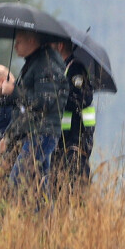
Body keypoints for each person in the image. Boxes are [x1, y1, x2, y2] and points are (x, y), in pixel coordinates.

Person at [0, 30, 69, 206]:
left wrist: (14, 91)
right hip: (36, 132)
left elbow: (43, 102)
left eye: (19, 41)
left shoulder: (46, 64)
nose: (15, 46)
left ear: (31, 41)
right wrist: (10, 134)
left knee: (17, 182)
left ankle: (29, 225)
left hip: (42, 133)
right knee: (40, 188)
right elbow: (25, 107)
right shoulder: (35, 62)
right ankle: (45, 229)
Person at [49, 40, 95, 197]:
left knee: (77, 185)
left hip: (77, 139)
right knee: (58, 186)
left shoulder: (75, 69)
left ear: (60, 46)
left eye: (52, 47)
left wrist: (57, 96)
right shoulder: (63, 69)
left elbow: (80, 99)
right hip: (63, 139)